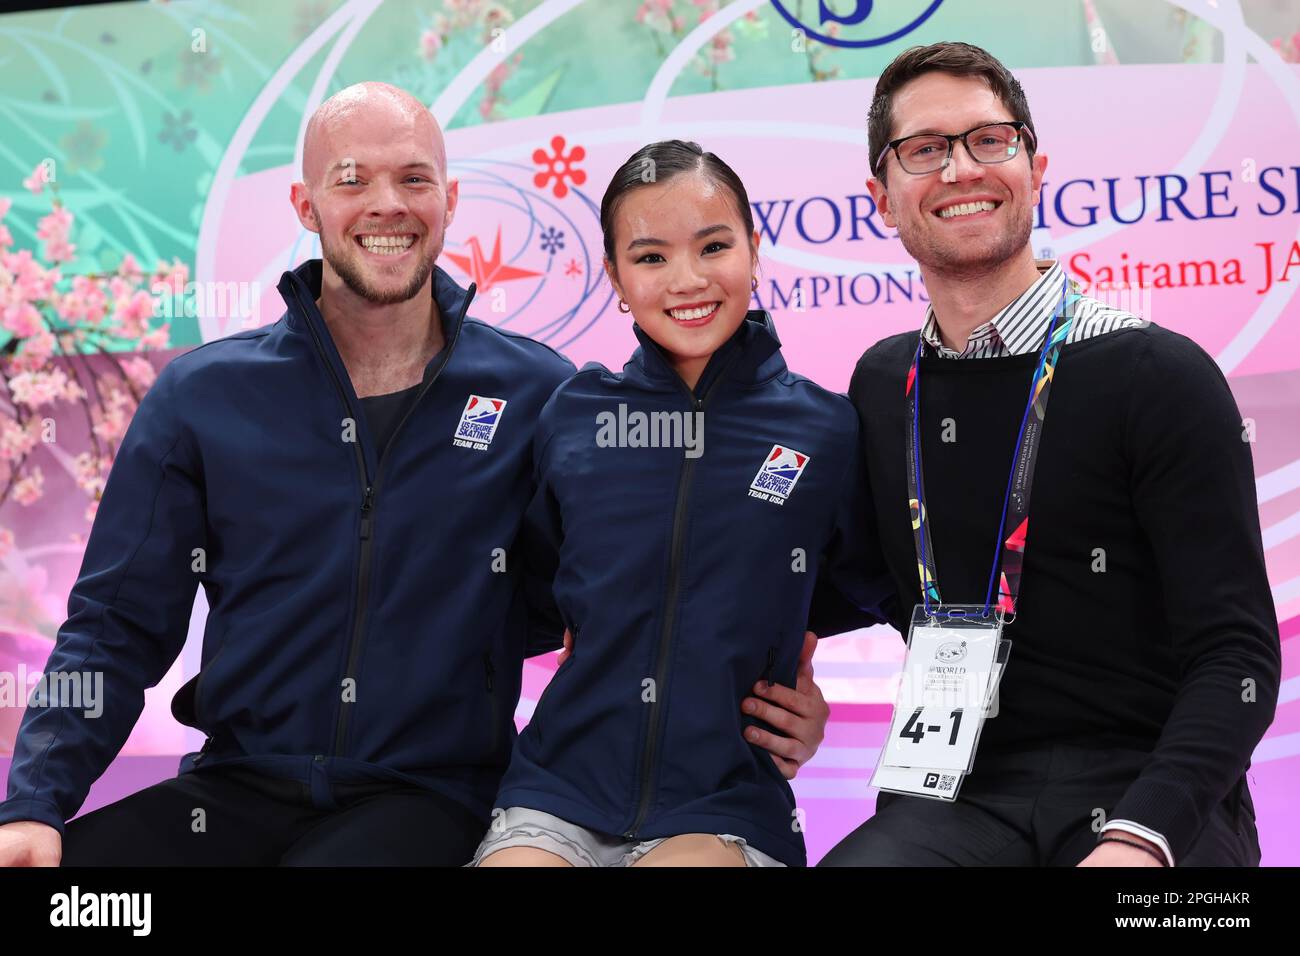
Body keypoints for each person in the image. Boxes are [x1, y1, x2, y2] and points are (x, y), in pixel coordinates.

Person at [0, 84, 829, 867]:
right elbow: (113, 625)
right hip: (233, 788)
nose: (387, 204)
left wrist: (776, 691)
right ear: (306, 205)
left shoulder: (543, 396)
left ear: (449, 202)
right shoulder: (203, 396)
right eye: (352, 179)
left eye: (414, 178)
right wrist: (35, 802)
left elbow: (647, 578)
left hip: (432, 800)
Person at [818, 42, 1280, 867]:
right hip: (953, 796)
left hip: (1152, 790)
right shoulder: (883, 384)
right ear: (881, 199)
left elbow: (1236, 654)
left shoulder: (1156, 374)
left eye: (989, 140)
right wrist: (778, 664)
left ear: (1036, 166)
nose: (961, 169)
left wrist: (1144, 835)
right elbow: (850, 580)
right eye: (925, 149)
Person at [472, 141, 893, 868]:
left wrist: (802, 682)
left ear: (755, 250)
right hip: (557, 789)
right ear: (614, 277)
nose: (688, 280)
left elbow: (859, 590)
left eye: (714, 245)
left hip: (724, 802)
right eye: (651, 257)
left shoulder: (823, 428)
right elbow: (534, 588)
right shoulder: (575, 414)